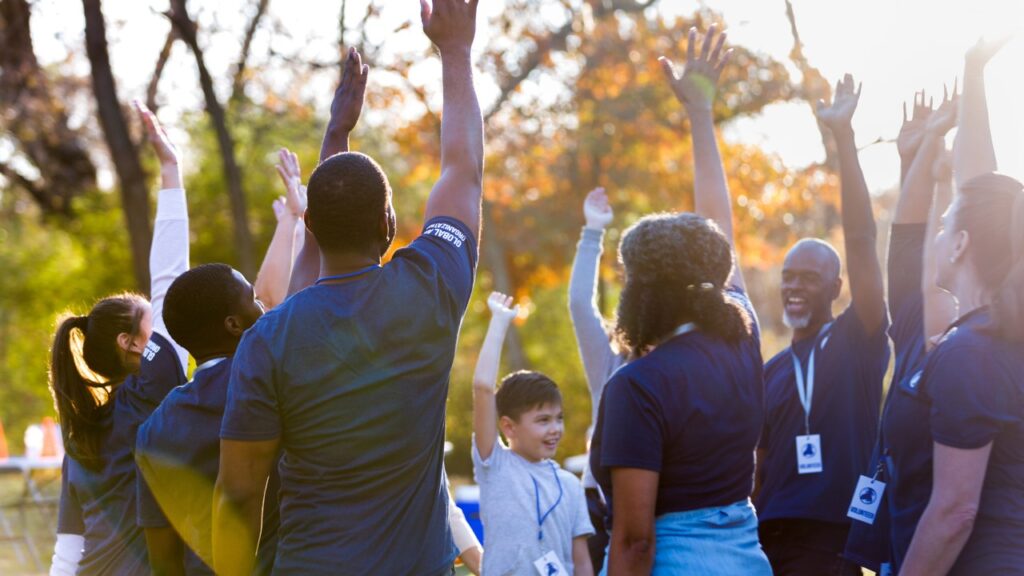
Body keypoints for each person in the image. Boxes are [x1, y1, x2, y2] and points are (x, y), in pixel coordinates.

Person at [212, 0, 484, 571]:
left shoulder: (269, 338)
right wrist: (455, 52)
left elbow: (237, 496)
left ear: (306, 222)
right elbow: (462, 171)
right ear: (389, 227)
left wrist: (337, 131)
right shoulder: (430, 287)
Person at [590, 26, 771, 575]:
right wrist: (700, 114)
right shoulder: (742, 335)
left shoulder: (637, 386)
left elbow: (635, 543)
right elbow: (720, 234)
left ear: (643, 289)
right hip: (746, 559)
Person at [887, 37, 1024, 576]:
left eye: (944, 227)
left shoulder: (974, 353)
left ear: (963, 243)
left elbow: (954, 512)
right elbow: (988, 197)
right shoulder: (992, 340)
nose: (936, 237)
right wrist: (972, 76)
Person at [755, 72, 890, 575]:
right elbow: (758, 465)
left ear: (837, 287)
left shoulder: (859, 338)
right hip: (768, 543)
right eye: (788, 277)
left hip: (834, 543)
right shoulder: (770, 369)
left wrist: (843, 139)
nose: (794, 287)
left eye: (809, 278)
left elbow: (860, 238)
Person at [48, 102, 190, 576]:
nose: (164, 319)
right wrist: (170, 171)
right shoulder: (151, 393)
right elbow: (170, 277)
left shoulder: (82, 434)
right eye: (150, 320)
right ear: (132, 344)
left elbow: (66, 551)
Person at [842, 86, 958, 575]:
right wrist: (923, 152)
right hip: (896, 553)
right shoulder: (915, 327)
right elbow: (908, 243)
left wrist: (941, 171)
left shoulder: (992, 348)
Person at [133, 262, 279, 576]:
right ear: (234, 325)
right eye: (253, 299)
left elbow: (163, 559)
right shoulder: (273, 382)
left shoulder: (152, 431)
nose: (263, 307)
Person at [472, 292, 594, 576]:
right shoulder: (495, 465)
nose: (555, 429)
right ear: (508, 427)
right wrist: (500, 322)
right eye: (542, 420)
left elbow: (582, 562)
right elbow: (482, 388)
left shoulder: (570, 486)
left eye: (558, 418)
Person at [567, 185, 626, 571]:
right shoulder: (610, 361)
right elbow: (579, 304)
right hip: (599, 503)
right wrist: (593, 232)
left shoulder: (682, 355)